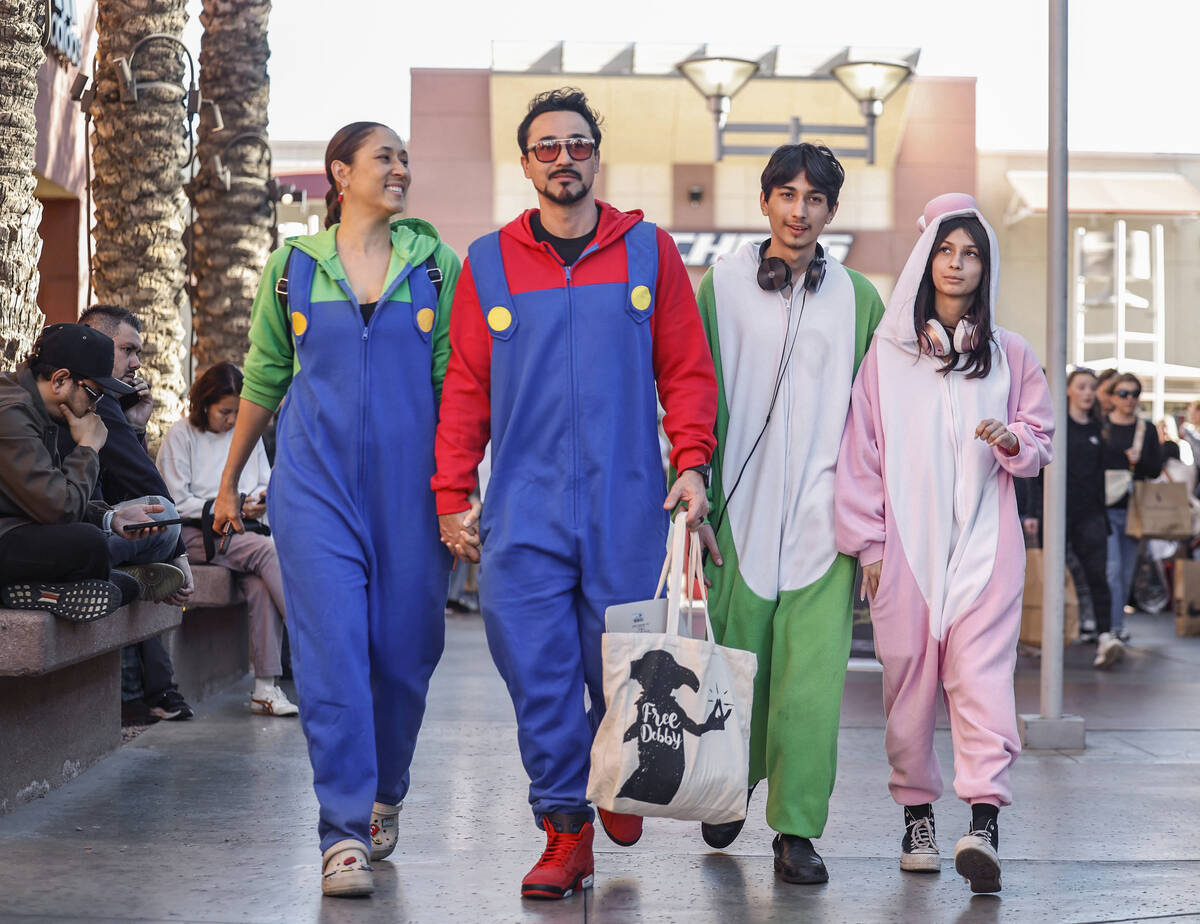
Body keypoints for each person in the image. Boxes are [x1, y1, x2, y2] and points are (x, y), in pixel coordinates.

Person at [432, 88, 717, 901]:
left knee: (625, 667)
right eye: (547, 147)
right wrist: (454, 492)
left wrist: (690, 463)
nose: (565, 158)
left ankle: (619, 771)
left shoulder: (649, 251)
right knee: (538, 672)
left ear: (597, 155)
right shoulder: (487, 263)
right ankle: (565, 831)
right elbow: (465, 392)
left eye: (578, 144)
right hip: (526, 509)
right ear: (526, 164)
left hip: (629, 506)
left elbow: (687, 372)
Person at [212, 121, 460, 898]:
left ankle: (386, 787)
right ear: (339, 174)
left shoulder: (436, 266)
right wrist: (227, 484)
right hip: (313, 492)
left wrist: (462, 487)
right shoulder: (292, 269)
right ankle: (344, 831)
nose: (400, 169)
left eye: (405, 158)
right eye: (384, 157)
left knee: (405, 652)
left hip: (412, 496)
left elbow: (458, 386)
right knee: (332, 658)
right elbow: (263, 377)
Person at [834, 194, 1053, 894]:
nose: (958, 265)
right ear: (926, 262)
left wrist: (1013, 441)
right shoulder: (889, 356)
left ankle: (983, 822)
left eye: (972, 253)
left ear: (985, 266)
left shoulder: (1010, 353)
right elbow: (861, 452)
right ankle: (917, 818)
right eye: (946, 252)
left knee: (983, 683)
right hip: (903, 552)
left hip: (987, 550)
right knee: (908, 688)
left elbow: (1039, 436)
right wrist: (869, 547)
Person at [691, 143, 885, 884]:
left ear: (832, 212)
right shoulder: (724, 284)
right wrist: (695, 488)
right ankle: (727, 785)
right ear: (765, 200)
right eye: (786, 195)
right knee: (739, 662)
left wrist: (869, 524)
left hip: (825, 517)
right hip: (738, 513)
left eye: (814, 199)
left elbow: (873, 420)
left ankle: (797, 831)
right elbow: (697, 391)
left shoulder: (860, 298)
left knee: (812, 683)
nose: (798, 211)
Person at [0, 324, 176, 621]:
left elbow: (52, 491)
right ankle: (60, 586)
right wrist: (89, 448)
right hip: (8, 534)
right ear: (60, 380)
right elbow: (60, 509)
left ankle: (66, 587)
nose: (97, 407)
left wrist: (110, 517)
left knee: (102, 536)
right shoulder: (11, 413)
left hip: (17, 528)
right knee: (88, 544)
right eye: (96, 393)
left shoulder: (40, 407)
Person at [75, 304, 195, 724]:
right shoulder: (91, 394)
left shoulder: (103, 401)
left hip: (92, 525)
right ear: (94, 342)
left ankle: (148, 693)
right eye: (127, 349)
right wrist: (179, 552)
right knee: (159, 526)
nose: (137, 362)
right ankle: (155, 692)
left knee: (147, 540)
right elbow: (142, 481)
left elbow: (125, 476)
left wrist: (136, 427)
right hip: (68, 537)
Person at [157, 362, 297, 717]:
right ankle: (314, 634)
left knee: (261, 585)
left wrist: (258, 500)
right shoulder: (182, 435)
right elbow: (173, 500)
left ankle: (265, 689)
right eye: (226, 412)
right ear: (205, 404)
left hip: (242, 534)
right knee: (267, 552)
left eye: (239, 412)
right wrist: (223, 504)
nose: (234, 420)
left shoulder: (244, 437)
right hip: (196, 534)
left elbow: (266, 479)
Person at [1063, 369, 1122, 665]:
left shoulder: (1100, 428)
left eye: (1091, 388)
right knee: (1052, 579)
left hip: (1092, 516)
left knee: (1098, 577)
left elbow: (1104, 476)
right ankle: (1040, 637)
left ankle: (1105, 637)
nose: (1088, 392)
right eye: (1082, 387)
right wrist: (1035, 513)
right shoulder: (1056, 426)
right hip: (1058, 515)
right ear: (1069, 391)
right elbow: (1038, 475)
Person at [1102, 372, 1161, 642]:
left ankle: (1116, 624)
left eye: (1135, 393)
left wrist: (1139, 460)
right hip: (1104, 506)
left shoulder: (1145, 428)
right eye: (1123, 393)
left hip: (1134, 508)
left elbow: (1156, 468)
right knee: (1112, 569)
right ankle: (1110, 626)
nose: (1129, 399)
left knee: (1125, 571)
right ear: (1113, 397)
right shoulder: (1102, 425)